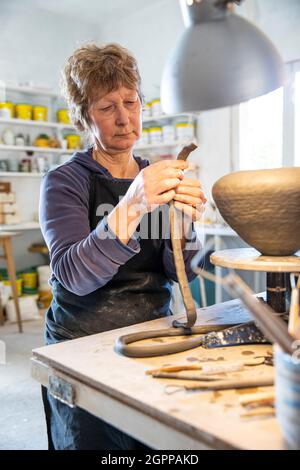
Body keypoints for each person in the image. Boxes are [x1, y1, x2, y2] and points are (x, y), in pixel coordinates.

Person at [39, 42, 206, 450]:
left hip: (152, 337)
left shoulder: (158, 175)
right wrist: (132, 204)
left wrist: (183, 223)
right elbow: (73, 276)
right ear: (84, 116)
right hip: (81, 345)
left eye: (131, 102)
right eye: (106, 107)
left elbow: (182, 269)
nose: (123, 119)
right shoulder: (64, 182)